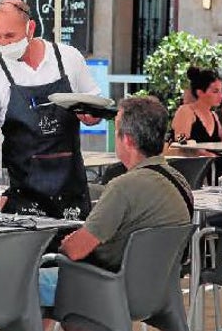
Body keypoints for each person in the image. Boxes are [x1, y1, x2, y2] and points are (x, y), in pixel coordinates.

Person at [38, 97, 192, 325]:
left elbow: (75, 251)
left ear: (127, 140)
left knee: (24, 282)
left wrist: (64, 245)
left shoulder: (123, 187)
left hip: (107, 288)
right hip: (156, 290)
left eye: (116, 129)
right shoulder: (180, 181)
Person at [0, 0, 101, 219]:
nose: (3, 43)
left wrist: (91, 115)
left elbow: (94, 111)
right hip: (23, 198)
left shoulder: (69, 59)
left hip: (71, 191)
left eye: (10, 36)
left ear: (30, 28)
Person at [171, 66, 222, 147]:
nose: (221, 96)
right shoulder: (187, 111)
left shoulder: (214, 115)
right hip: (193, 159)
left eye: (221, 91)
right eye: (215, 91)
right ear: (200, 92)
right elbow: (179, 138)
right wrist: (197, 149)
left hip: (213, 159)